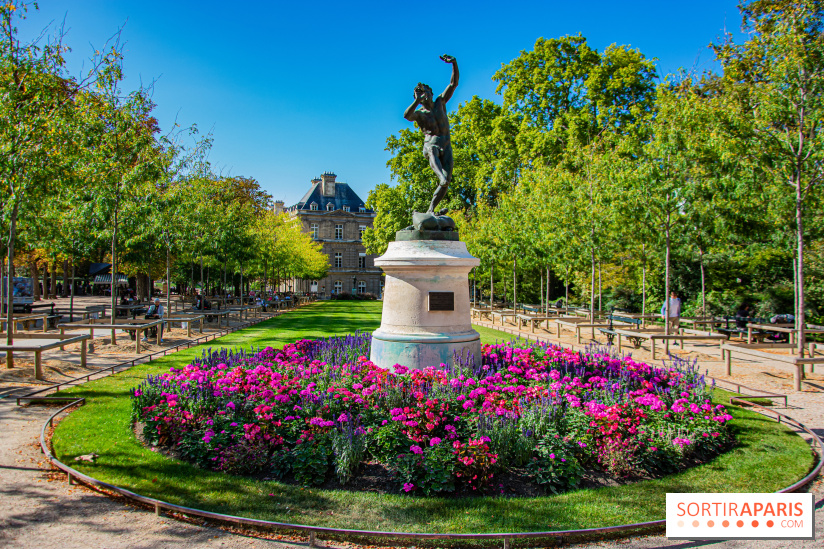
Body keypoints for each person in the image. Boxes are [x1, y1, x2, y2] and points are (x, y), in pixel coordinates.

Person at [403, 54, 459, 213]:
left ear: (431, 92)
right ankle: (440, 177)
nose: (423, 95)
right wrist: (416, 100)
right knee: (438, 166)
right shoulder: (420, 113)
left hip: (446, 144)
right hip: (431, 145)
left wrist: (454, 63)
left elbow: (453, 83)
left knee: (446, 182)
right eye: (419, 94)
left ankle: (430, 210)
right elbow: (407, 116)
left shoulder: (440, 102)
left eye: (425, 91)